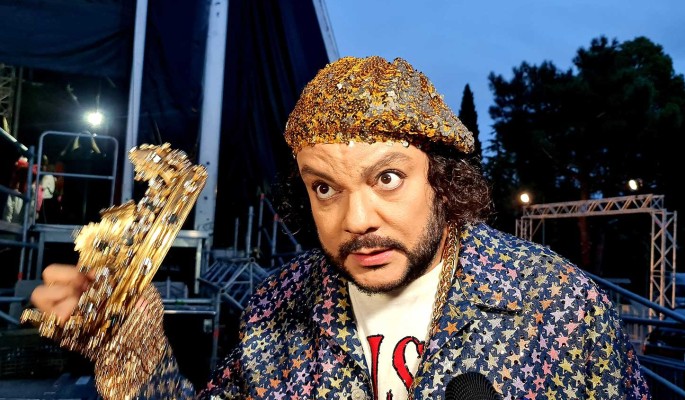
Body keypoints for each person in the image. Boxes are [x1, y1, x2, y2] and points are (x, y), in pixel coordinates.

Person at [28, 56, 651, 399]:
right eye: (325, 187)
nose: (355, 221)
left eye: (388, 178)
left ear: (443, 181)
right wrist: (134, 354)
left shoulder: (558, 308)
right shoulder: (276, 307)